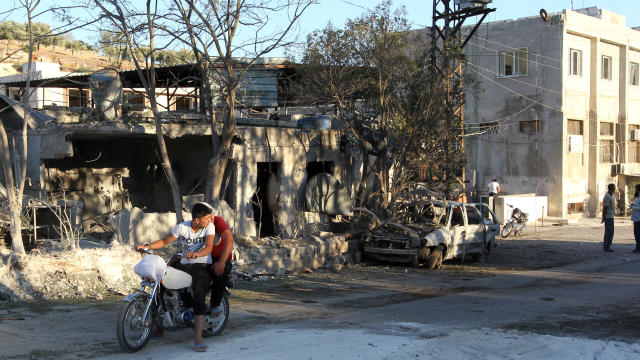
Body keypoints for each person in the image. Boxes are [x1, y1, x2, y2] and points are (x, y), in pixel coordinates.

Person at [136, 202, 215, 352]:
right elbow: (165, 241)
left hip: (202, 265)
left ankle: (198, 340)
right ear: (197, 220)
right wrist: (147, 246)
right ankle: (157, 326)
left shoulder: (209, 227)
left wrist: (197, 254)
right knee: (160, 281)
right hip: (185, 264)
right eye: (207, 218)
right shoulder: (182, 227)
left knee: (199, 295)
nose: (210, 220)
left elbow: (209, 247)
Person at [209, 215, 234, 317]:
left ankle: (215, 305)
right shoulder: (194, 225)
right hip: (201, 257)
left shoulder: (217, 221)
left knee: (220, 271)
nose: (209, 219)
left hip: (220, 258)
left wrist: (221, 262)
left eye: (210, 216)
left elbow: (229, 239)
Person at [602, 183, 616, 252]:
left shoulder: (611, 195)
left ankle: (606, 246)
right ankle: (607, 246)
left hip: (610, 216)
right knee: (609, 232)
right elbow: (605, 207)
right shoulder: (608, 196)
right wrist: (604, 217)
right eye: (614, 188)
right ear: (611, 189)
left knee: (609, 232)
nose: (615, 189)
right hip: (609, 216)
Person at [630, 184, 640, 253]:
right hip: (636, 218)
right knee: (637, 234)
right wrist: (634, 205)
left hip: (638, 219)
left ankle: (638, 248)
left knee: (638, 234)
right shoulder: (638, 198)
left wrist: (633, 207)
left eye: (636, 189)